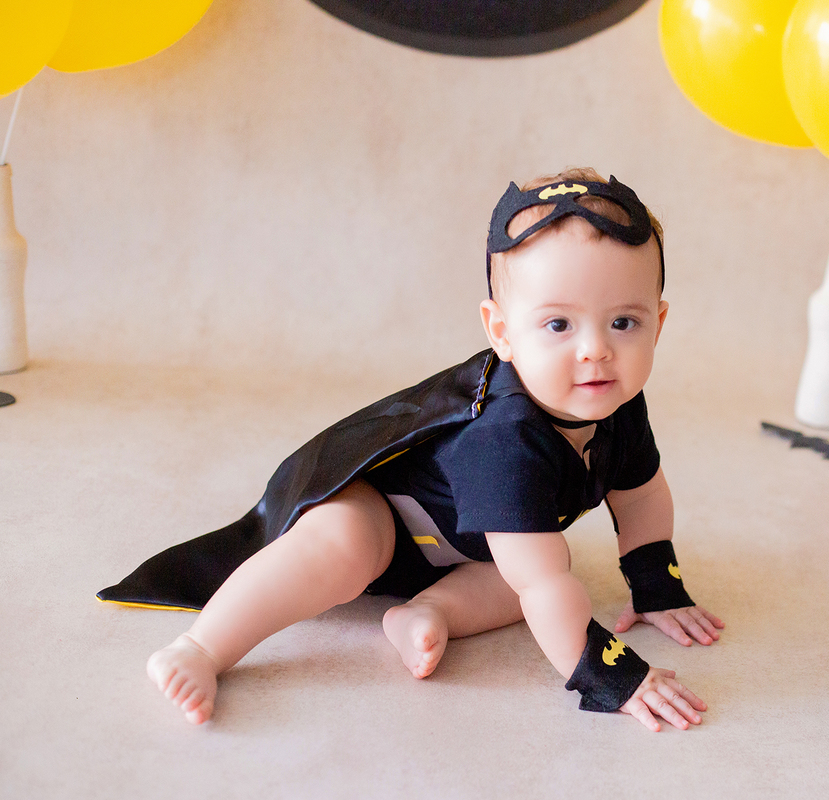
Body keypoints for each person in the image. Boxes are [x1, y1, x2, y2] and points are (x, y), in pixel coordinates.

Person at [142, 168, 723, 731]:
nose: (596, 351)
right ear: (501, 332)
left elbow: (641, 495)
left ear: (659, 323)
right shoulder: (504, 435)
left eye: (624, 322)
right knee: (350, 547)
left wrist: (657, 587)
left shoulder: (615, 403)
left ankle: (429, 611)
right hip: (383, 514)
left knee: (534, 569)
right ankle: (202, 647)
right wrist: (617, 679)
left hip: (465, 547)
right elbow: (543, 590)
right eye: (558, 326)